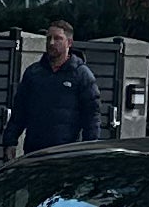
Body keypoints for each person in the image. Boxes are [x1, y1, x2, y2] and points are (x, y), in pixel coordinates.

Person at [6, 22, 102, 157]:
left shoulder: (81, 75)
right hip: (34, 152)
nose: (51, 43)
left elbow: (92, 116)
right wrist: (10, 141)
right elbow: (19, 111)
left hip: (65, 154)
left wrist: (89, 151)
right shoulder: (33, 73)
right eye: (48, 38)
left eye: (57, 38)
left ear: (69, 42)